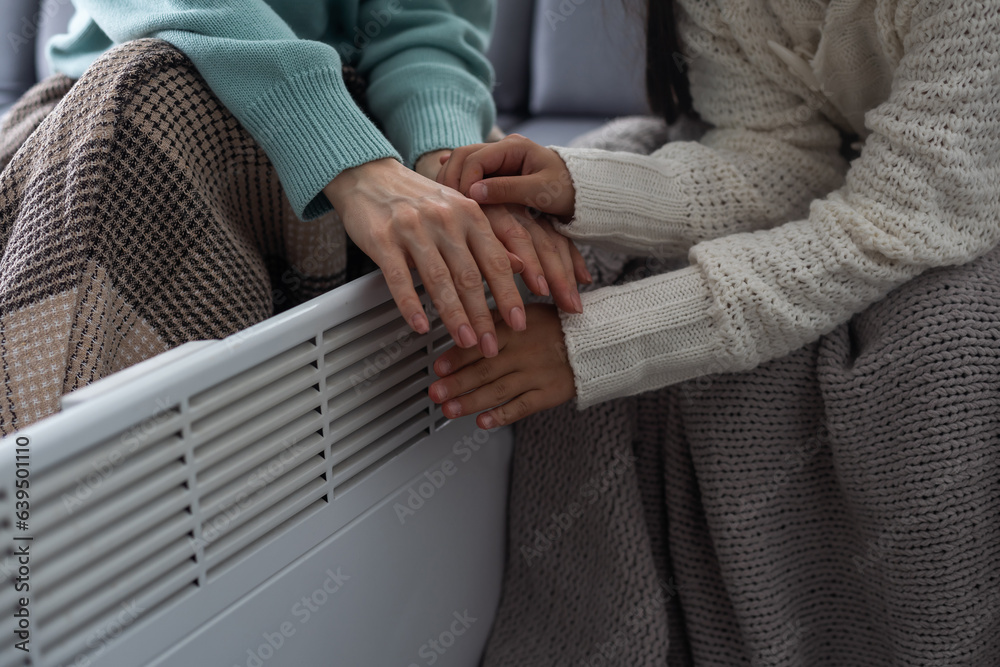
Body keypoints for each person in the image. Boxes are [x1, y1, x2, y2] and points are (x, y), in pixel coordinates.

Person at [424, 0, 1000, 664]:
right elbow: (777, 154)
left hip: (956, 186)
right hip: (918, 183)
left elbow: (896, 220)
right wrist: (583, 189)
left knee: (943, 342)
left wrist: (597, 344)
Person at [0, 0, 587, 431]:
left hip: (357, 113)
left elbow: (424, 23)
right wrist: (349, 162)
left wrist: (449, 170)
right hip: (122, 98)